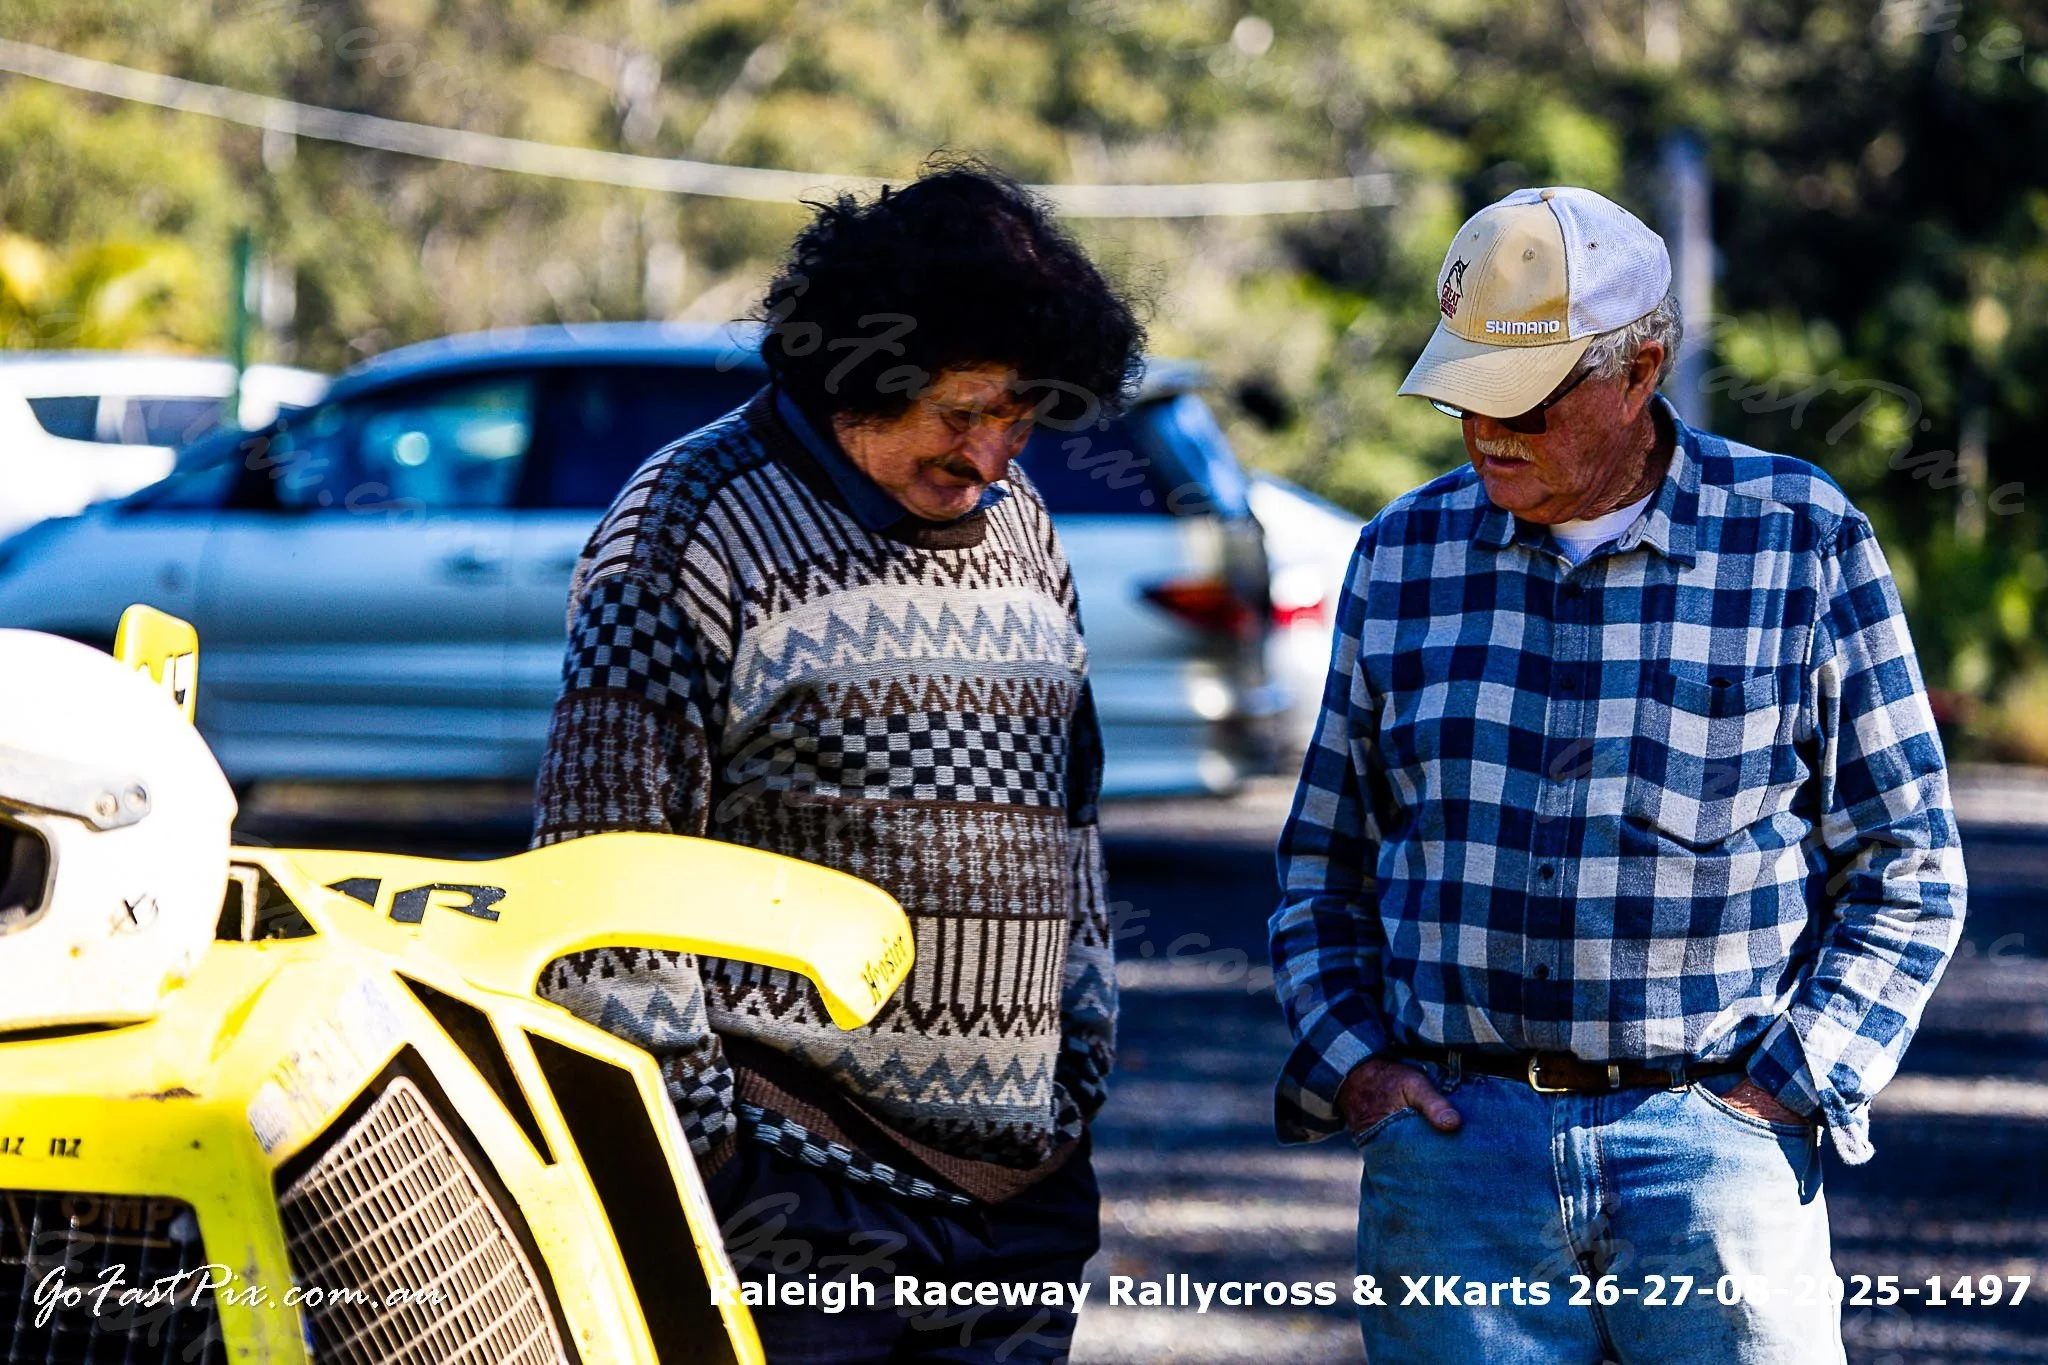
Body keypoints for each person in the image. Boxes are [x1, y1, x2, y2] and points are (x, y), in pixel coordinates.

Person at [1270, 185, 1966, 1363]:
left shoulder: (1799, 539)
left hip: (1714, 1155)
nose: (1486, 433)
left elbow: (1905, 864)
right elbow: (1322, 863)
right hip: (1453, 1164)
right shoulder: (1399, 553)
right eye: (1463, 396)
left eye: (1524, 404)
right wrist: (1360, 1074)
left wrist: (1784, 1094)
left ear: (1640, 368)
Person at [530, 162, 1141, 1363]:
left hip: (1022, 1196)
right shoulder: (687, 525)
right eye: (958, 414)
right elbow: (597, 886)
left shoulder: (1021, 526)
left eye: (1018, 416)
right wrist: (708, 1152)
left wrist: (1080, 1058)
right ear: (858, 374)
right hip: (798, 1203)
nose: (990, 455)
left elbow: (1069, 817)